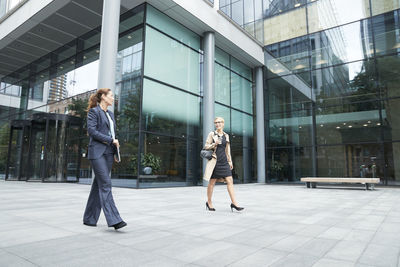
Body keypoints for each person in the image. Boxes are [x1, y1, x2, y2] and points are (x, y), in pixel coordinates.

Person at [83, 88, 127, 230]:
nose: (113, 98)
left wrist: (115, 151)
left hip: (108, 153)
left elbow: (112, 133)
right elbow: (92, 131)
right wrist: (110, 140)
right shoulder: (94, 112)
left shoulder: (111, 115)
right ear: (103, 97)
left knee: (98, 185)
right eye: (111, 96)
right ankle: (115, 219)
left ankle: (89, 218)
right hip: (97, 152)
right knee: (106, 184)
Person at [203, 117, 244, 212]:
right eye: (216, 122)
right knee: (212, 183)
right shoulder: (212, 134)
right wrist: (214, 144)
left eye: (219, 122)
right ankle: (209, 202)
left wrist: (230, 162)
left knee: (230, 180)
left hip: (224, 161)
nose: (217, 124)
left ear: (223, 124)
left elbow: (227, 150)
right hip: (215, 162)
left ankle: (234, 203)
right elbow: (206, 146)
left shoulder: (226, 136)